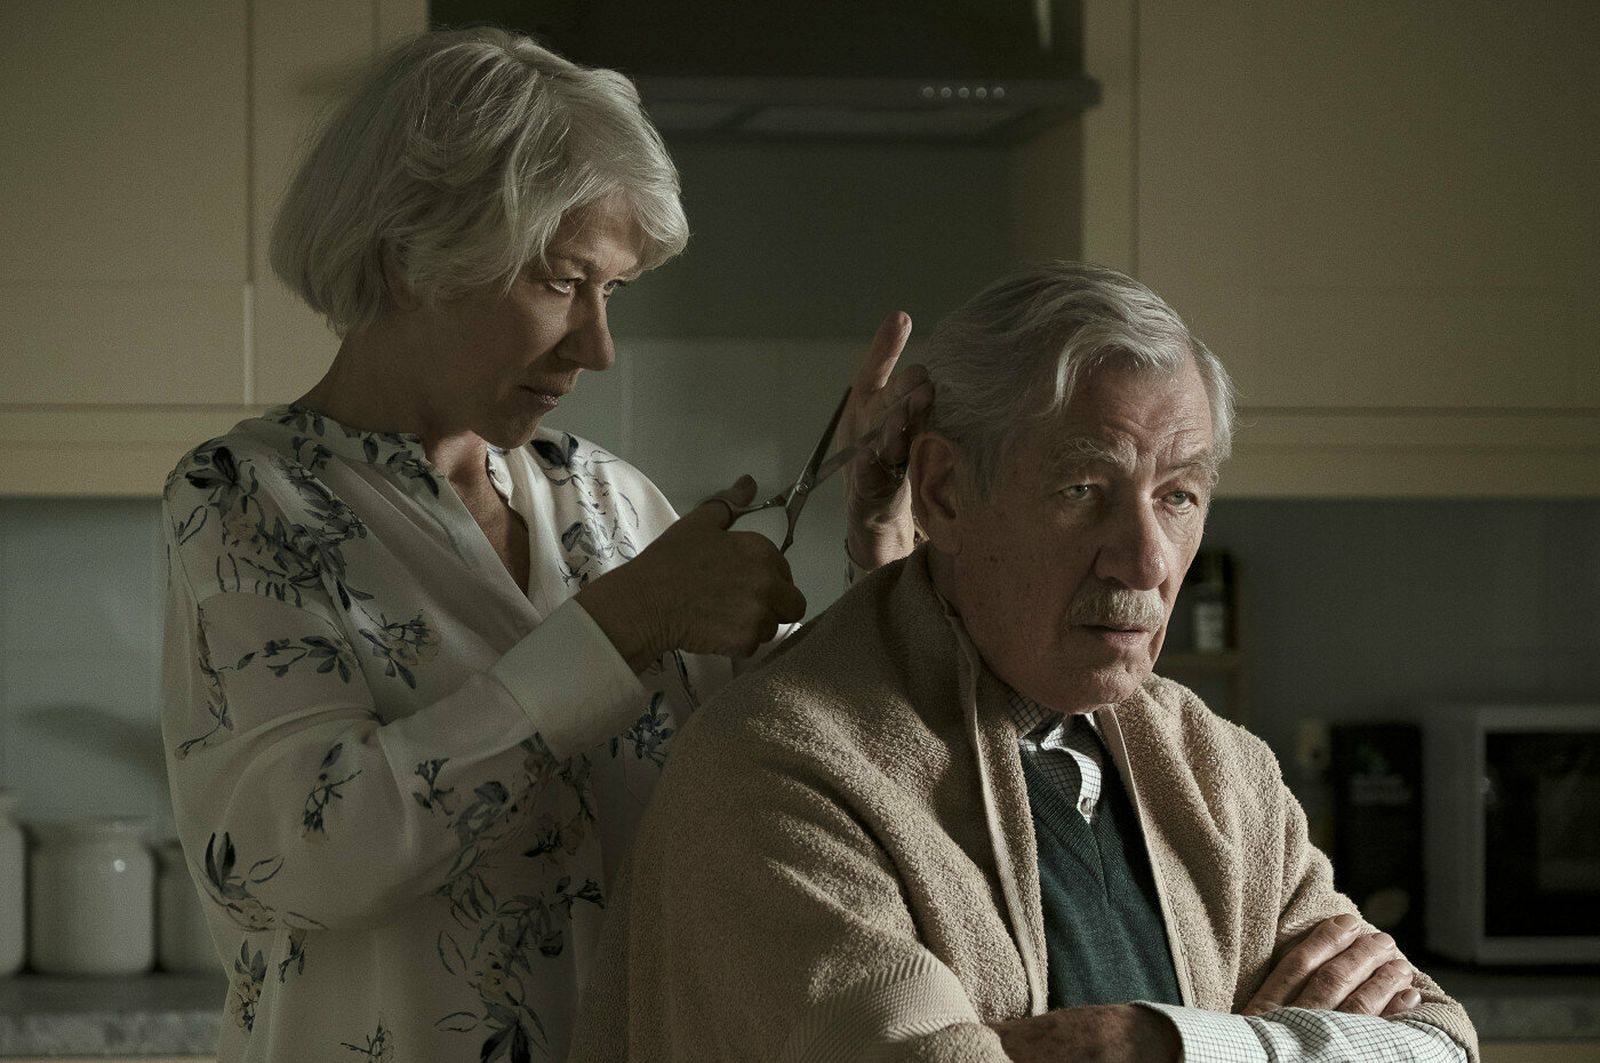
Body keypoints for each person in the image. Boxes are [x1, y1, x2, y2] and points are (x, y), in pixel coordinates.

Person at [158, 27, 927, 1063]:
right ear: (408, 255)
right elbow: (304, 858)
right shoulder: (247, 497)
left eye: (612, 292)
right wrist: (622, 629)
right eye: (561, 282)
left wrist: (885, 540)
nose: (598, 347)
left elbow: (800, 782)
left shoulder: (607, 497)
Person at [571, 262, 1479, 1062]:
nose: (1148, 560)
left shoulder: (1219, 770)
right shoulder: (780, 770)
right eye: (1084, 490)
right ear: (944, 490)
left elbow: (1439, 1041)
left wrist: (1160, 1046)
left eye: (1179, 495)